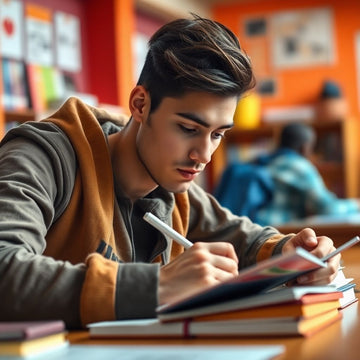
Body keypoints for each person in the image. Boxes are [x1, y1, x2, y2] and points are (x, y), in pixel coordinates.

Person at [0, 15, 339, 329]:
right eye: (189, 128)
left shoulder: (177, 187)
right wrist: (158, 287)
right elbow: (4, 269)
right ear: (140, 104)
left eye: (218, 134)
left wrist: (295, 254)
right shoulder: (42, 156)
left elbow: (244, 239)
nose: (203, 155)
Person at [255, 122, 360, 225]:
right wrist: (356, 204)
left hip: (257, 230)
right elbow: (328, 208)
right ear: (305, 147)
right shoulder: (299, 165)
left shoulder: (262, 162)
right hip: (280, 231)